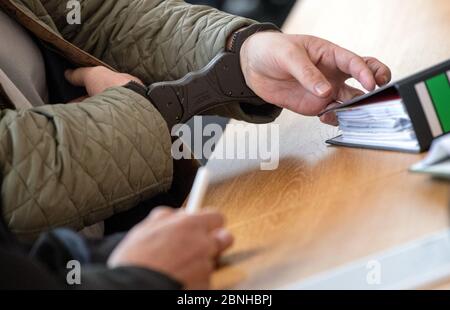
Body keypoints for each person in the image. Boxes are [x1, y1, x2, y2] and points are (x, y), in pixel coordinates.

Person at [0, 0, 391, 289]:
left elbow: (95, 14)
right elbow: (13, 167)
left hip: (147, 233)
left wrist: (242, 52)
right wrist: (144, 106)